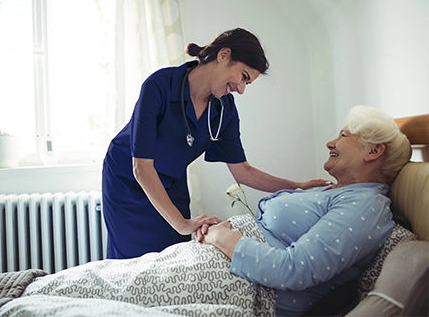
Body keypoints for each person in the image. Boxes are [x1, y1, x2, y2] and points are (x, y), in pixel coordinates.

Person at [102, 27, 330, 259]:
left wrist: (298, 187)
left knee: (172, 257)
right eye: (243, 76)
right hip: (128, 181)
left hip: (171, 181)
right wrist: (180, 223)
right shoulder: (160, 85)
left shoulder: (225, 110)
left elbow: (243, 172)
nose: (240, 89)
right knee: (132, 260)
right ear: (224, 55)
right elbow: (141, 167)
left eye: (247, 84)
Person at [195, 105, 413, 316]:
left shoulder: (366, 204)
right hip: (214, 268)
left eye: (344, 135)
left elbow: (295, 270)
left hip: (241, 288)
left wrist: (221, 237)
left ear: (373, 151)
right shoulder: (336, 192)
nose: (330, 143)